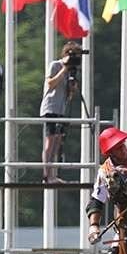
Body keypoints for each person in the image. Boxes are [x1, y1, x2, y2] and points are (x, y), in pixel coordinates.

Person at [40, 41, 82, 183]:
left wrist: (72, 85)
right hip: (51, 107)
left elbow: (69, 95)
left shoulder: (72, 71)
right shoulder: (55, 65)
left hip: (61, 109)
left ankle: (53, 174)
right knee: (50, 140)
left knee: (58, 141)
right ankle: (47, 175)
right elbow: (50, 84)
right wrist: (64, 69)